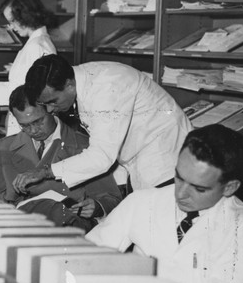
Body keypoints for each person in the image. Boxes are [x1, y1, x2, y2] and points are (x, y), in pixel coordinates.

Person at [86, 124, 243, 283]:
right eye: (179, 177)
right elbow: (86, 254)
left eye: (199, 189)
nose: (180, 194)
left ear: (229, 187)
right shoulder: (143, 201)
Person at [14, 54, 192, 195]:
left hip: (165, 160)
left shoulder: (107, 88)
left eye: (53, 101)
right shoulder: (81, 80)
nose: (51, 109)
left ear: (68, 85)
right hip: (142, 158)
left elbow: (101, 156)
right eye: (45, 104)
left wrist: (45, 172)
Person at [0, 86, 121, 231]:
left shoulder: (85, 147)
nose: (33, 131)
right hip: (15, 225)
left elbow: (111, 199)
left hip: (67, 227)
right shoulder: (4, 147)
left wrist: (97, 206)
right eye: (24, 126)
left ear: (52, 110)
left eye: (38, 122)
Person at [0, 0, 57, 135]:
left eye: (13, 21)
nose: (11, 27)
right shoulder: (37, 42)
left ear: (26, 16)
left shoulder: (37, 45)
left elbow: (32, 92)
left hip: (32, 121)